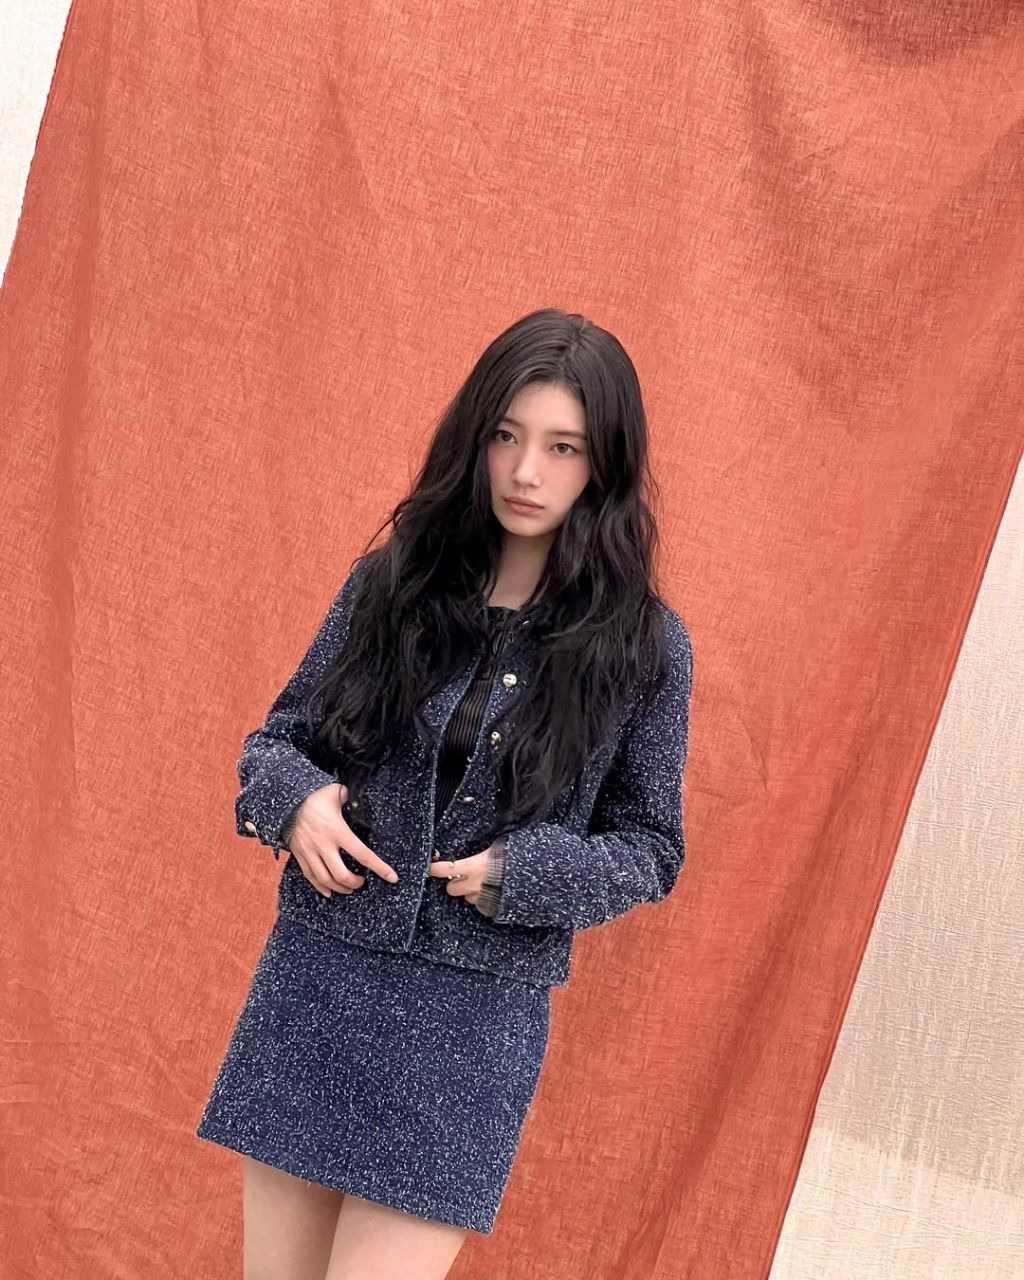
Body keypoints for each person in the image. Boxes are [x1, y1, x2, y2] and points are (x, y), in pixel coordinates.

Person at [194, 308, 694, 1280]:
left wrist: (525, 872)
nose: (525, 471)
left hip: (471, 1027)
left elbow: (651, 846)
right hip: (319, 983)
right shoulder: (391, 585)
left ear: (605, 463)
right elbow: (278, 742)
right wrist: (296, 802)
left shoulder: (643, 648)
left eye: (562, 447)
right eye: (506, 435)